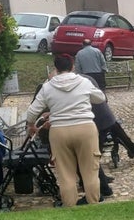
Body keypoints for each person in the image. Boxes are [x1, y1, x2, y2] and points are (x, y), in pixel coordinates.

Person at [26, 54, 106, 207]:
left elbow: (32, 111)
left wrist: (31, 126)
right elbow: (100, 98)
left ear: (55, 68)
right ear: (73, 66)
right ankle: (94, 204)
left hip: (60, 131)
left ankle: (70, 208)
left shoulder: (48, 87)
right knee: (90, 172)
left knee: (65, 174)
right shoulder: (83, 82)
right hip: (85, 128)